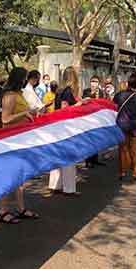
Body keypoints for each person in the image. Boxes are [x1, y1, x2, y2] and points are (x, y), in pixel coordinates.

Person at [0, 67, 40, 224]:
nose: (25, 81)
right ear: (19, 79)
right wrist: (24, 114)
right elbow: (6, 119)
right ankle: (2, 210)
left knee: (19, 176)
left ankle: (21, 208)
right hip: (10, 141)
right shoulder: (9, 96)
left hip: (20, 140)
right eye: (24, 78)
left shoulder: (18, 94)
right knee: (9, 176)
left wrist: (30, 113)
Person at [48, 66, 82, 196]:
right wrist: (79, 105)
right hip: (68, 127)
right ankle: (69, 188)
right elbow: (65, 109)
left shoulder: (59, 91)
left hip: (58, 126)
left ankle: (55, 185)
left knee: (57, 156)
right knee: (69, 158)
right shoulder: (68, 92)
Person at [114, 73, 136, 181]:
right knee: (135, 150)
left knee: (123, 149)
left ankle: (122, 171)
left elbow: (114, 107)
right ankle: (135, 172)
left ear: (128, 83)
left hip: (122, 125)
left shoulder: (119, 95)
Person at [83, 75, 105, 167]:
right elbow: (85, 101)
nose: (94, 83)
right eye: (92, 81)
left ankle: (95, 159)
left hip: (97, 118)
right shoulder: (86, 91)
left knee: (96, 139)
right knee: (89, 140)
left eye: (96, 81)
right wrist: (92, 93)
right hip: (89, 118)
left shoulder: (101, 92)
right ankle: (88, 161)